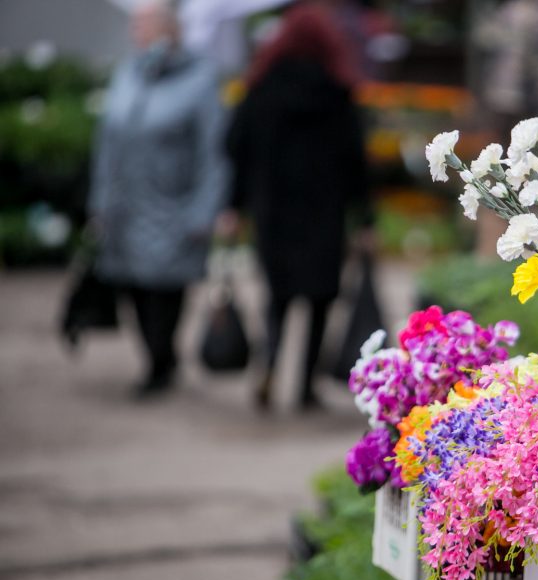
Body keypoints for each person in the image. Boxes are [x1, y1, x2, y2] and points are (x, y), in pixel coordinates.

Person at [225, 1, 371, 411]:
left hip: (273, 210)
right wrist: (366, 218)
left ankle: (270, 364)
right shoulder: (338, 92)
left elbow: (236, 147)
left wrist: (233, 205)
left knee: (277, 296)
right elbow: (357, 161)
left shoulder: (262, 88)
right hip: (325, 213)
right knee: (320, 298)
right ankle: (305, 385)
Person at [89, 0, 228, 397]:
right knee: (132, 284)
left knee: (164, 287)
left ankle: (160, 362)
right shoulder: (128, 74)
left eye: (144, 26)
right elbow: (107, 144)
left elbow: (212, 152)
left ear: (168, 30)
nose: (137, 34)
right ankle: (157, 358)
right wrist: (100, 201)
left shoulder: (199, 79)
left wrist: (206, 209)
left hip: (173, 205)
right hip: (127, 205)